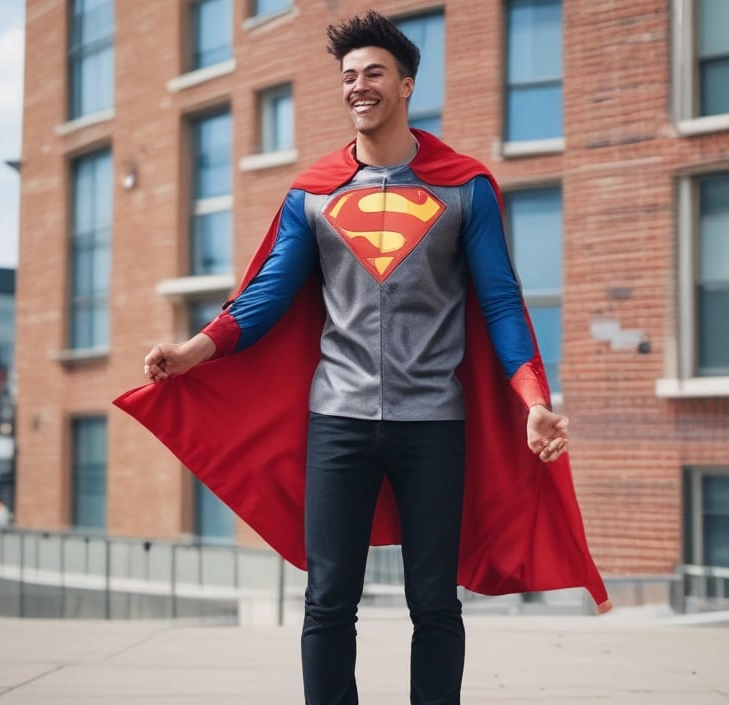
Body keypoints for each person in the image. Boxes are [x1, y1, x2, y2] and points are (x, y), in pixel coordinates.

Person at [118, 10, 609, 705]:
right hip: (338, 419)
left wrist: (534, 402)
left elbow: (502, 304)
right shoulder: (313, 195)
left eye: (373, 72)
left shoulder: (464, 187)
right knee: (327, 600)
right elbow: (264, 298)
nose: (358, 86)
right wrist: (191, 352)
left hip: (434, 421)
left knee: (434, 601)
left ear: (406, 84)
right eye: (348, 76)